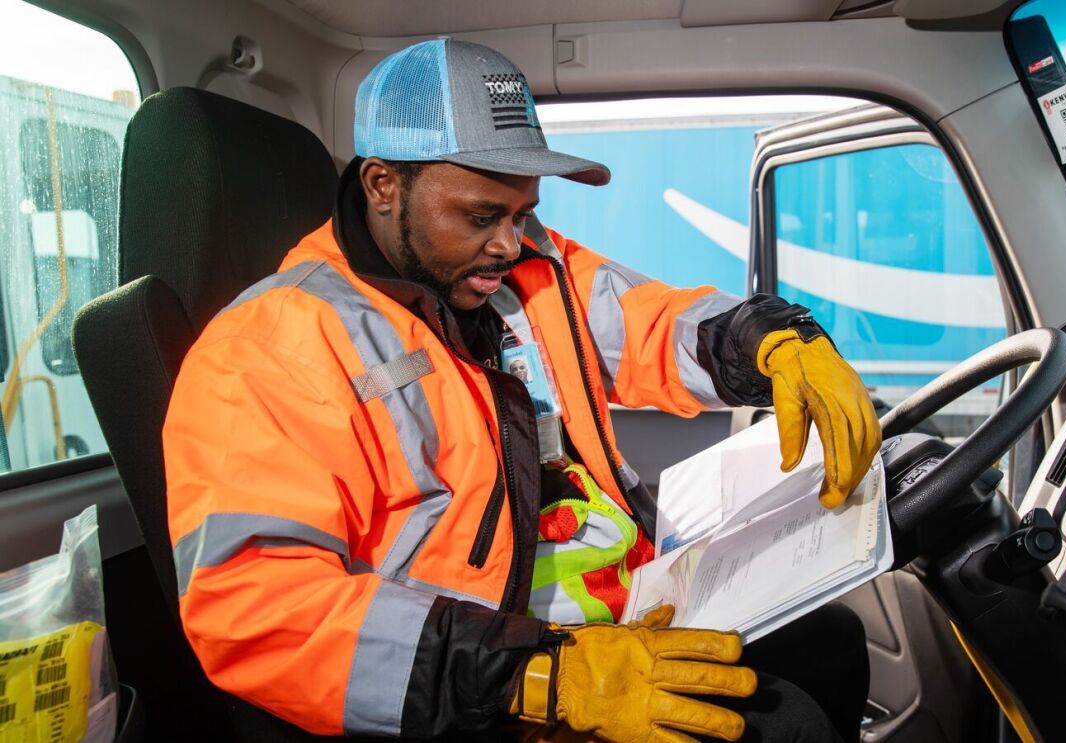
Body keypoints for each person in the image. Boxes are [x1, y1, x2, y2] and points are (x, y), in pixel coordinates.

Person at [163, 37, 881, 742]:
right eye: (482, 216)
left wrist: (769, 338)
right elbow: (254, 606)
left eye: (522, 211)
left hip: (613, 607)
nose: (511, 242)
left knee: (833, 643)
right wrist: (537, 678)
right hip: (475, 688)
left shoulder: (525, 269)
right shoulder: (266, 347)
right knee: (788, 726)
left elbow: (652, 322)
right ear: (384, 185)